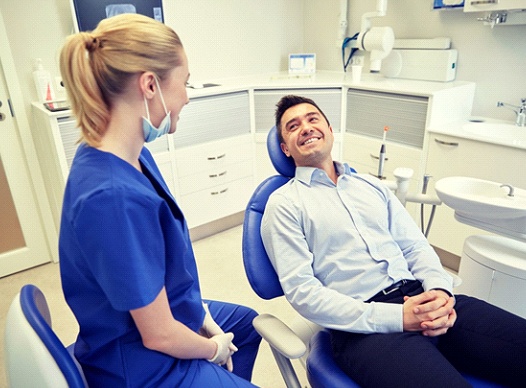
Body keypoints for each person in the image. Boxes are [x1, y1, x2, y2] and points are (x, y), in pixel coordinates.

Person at [261, 94, 526, 387]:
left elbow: (415, 245)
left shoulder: (371, 186)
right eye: (293, 126)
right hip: (364, 327)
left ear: (330, 129)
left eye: (313, 119)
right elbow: (303, 293)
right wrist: (398, 317)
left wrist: (439, 291)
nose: (306, 128)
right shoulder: (284, 205)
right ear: (285, 148)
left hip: (423, 296)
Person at [58, 14, 261, 387]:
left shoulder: (128, 155)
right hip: (141, 364)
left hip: (163, 317)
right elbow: (159, 335)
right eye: (183, 82)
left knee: (246, 326)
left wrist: (200, 314)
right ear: (150, 85)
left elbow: (162, 267)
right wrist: (211, 349)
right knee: (226, 347)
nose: (186, 96)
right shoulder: (112, 198)